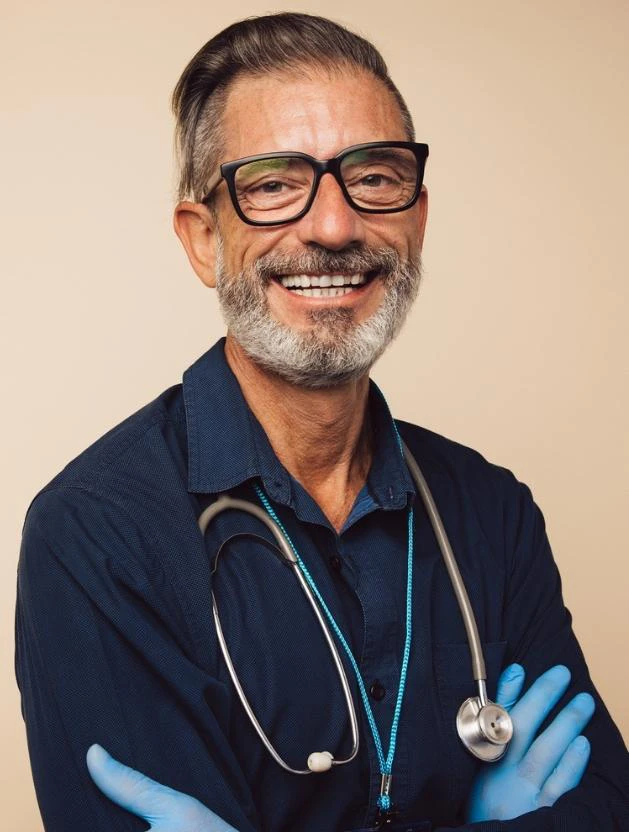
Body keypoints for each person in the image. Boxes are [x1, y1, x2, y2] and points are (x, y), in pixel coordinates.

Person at [15, 12, 627, 832]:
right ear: (204, 241)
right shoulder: (98, 535)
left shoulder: (490, 512)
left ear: (416, 215)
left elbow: (604, 807)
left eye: (373, 177)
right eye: (272, 185)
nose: (334, 226)